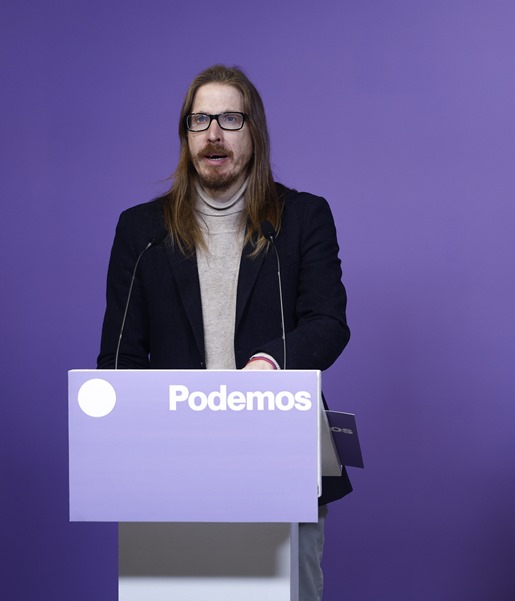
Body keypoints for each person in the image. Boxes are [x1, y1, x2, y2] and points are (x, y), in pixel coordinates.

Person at [97, 64, 351, 600]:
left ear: (253, 131)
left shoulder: (304, 217)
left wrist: (269, 365)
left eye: (230, 118)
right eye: (200, 119)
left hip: (282, 454)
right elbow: (119, 360)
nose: (214, 132)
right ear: (186, 136)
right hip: (173, 462)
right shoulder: (140, 230)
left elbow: (328, 324)